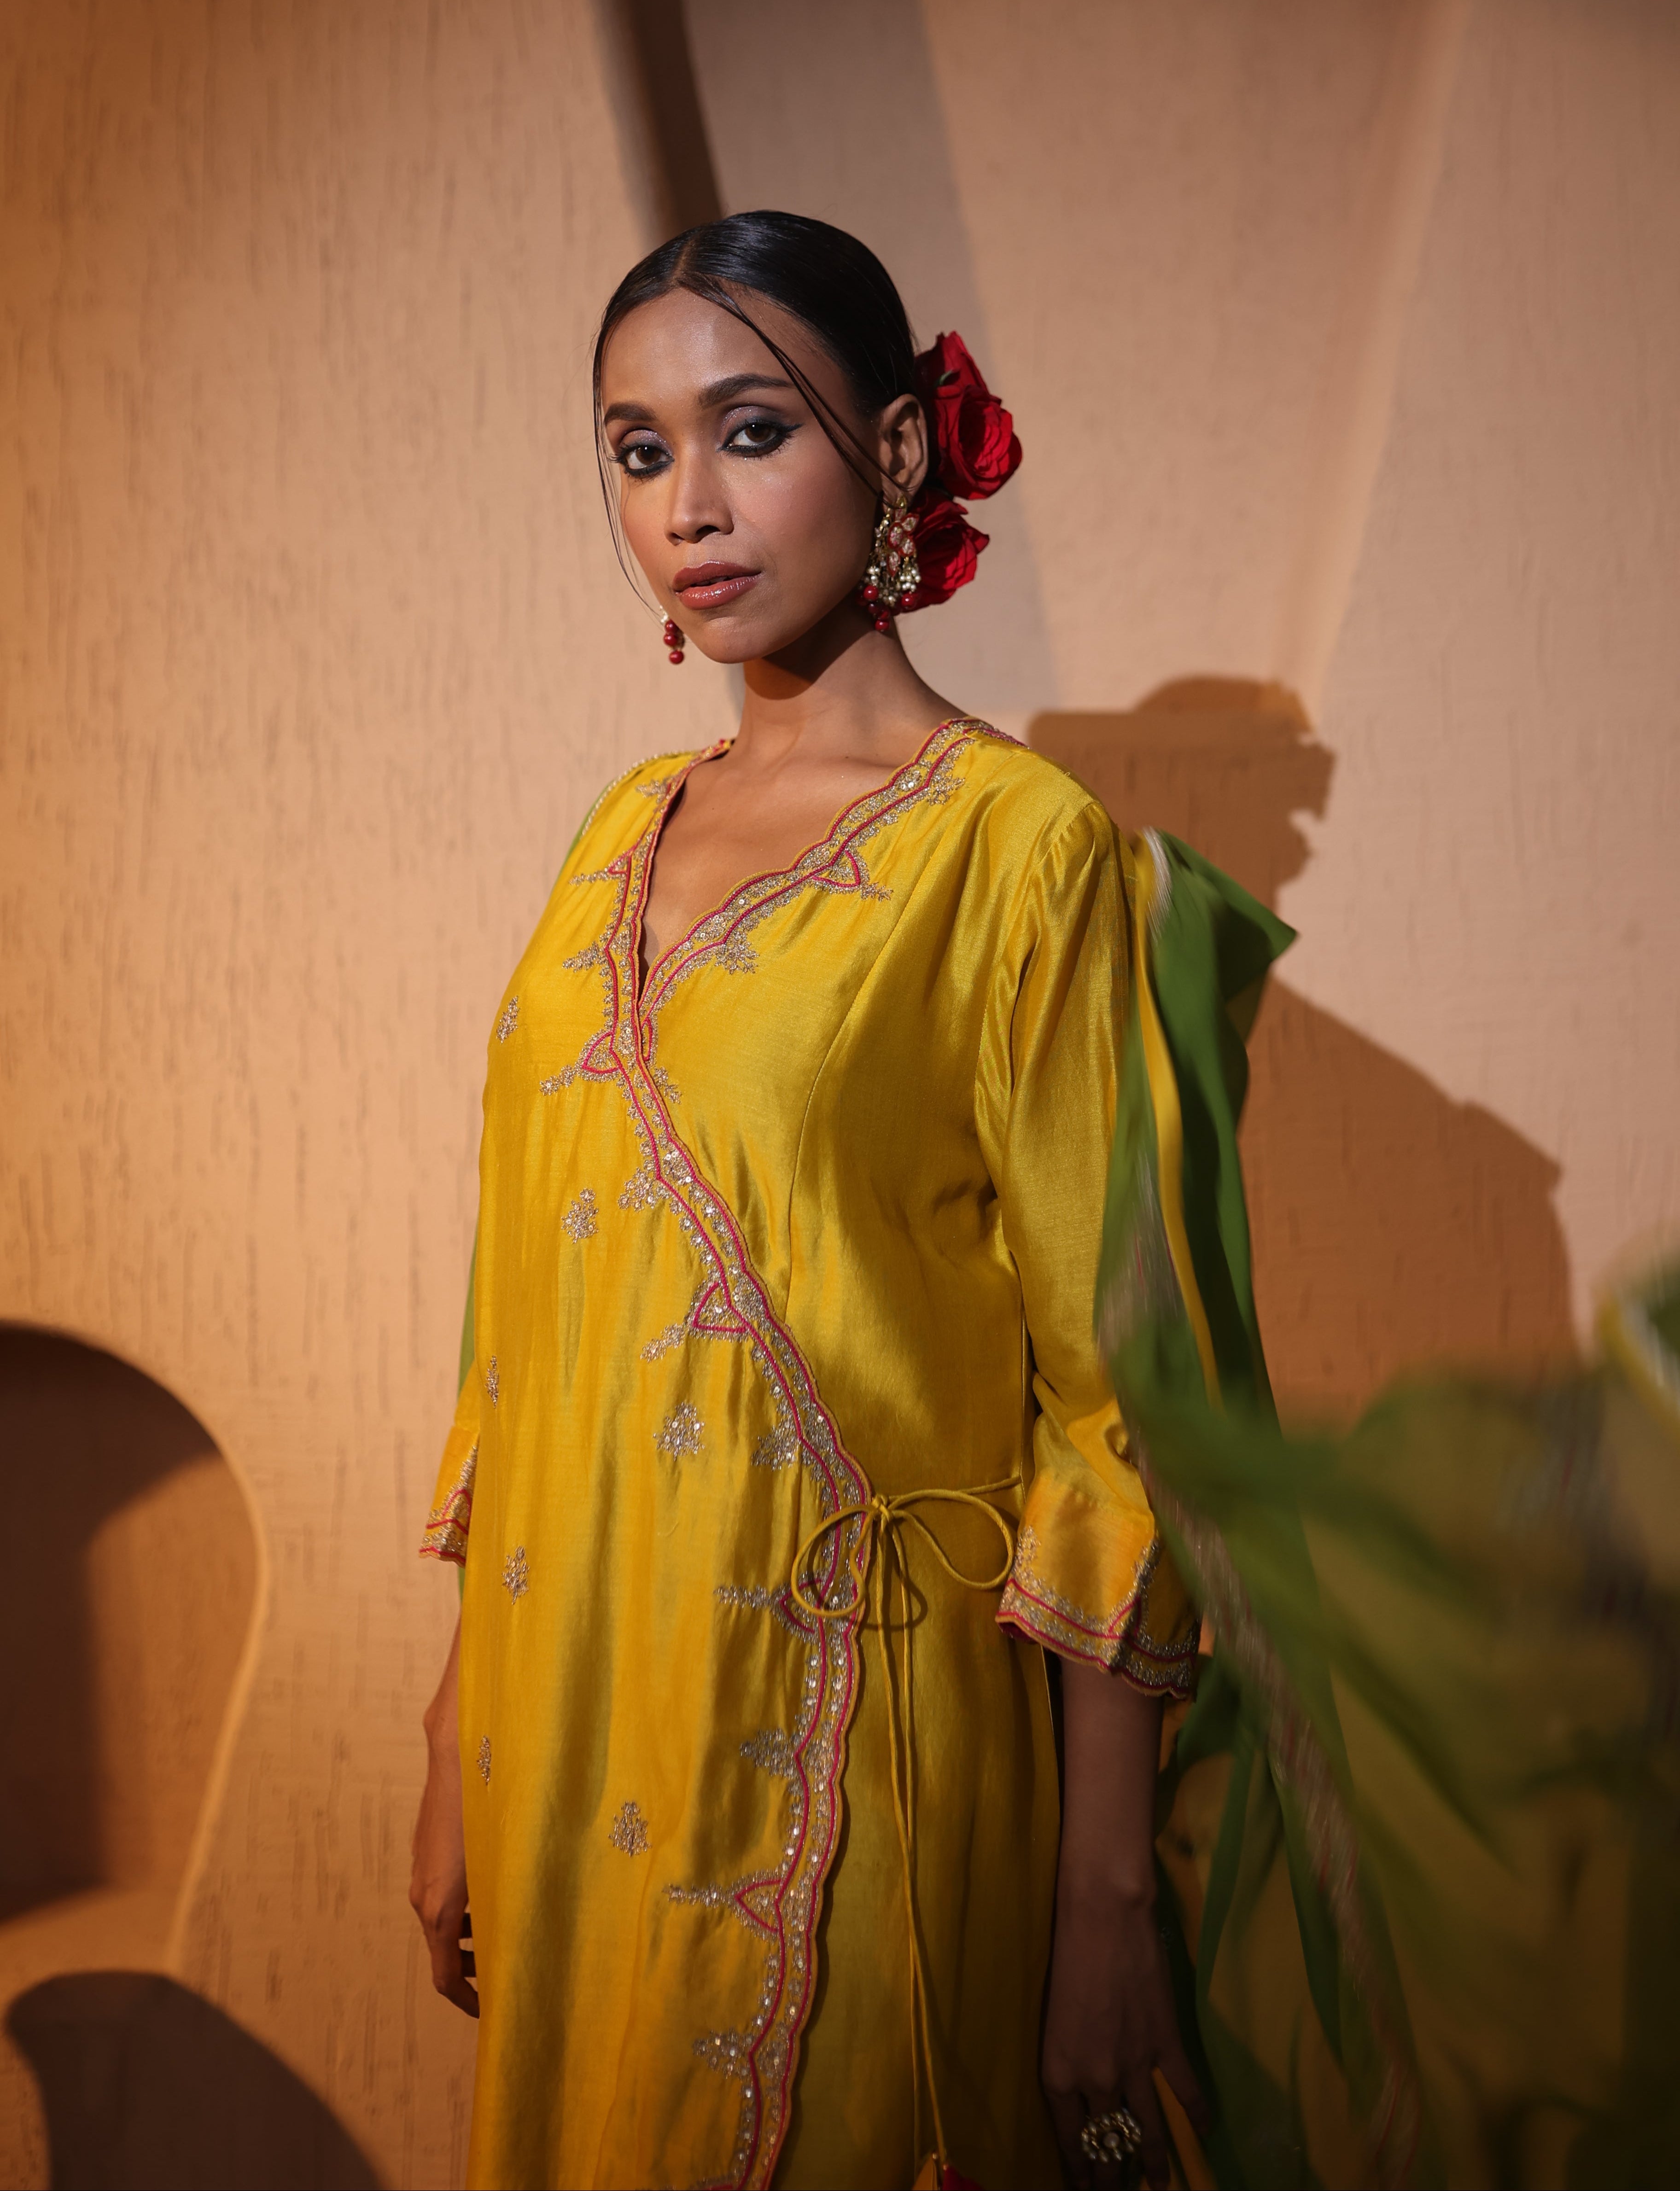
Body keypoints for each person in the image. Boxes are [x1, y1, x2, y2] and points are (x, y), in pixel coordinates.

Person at [407, 210, 1211, 2191]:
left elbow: (1122, 1402)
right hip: (570, 1706)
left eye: (749, 428)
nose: (688, 501)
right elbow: (526, 1322)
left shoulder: (1019, 851)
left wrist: (1105, 1894)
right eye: (638, 447)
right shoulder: (618, 829)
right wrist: (456, 1728)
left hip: (849, 1737)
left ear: (898, 452)